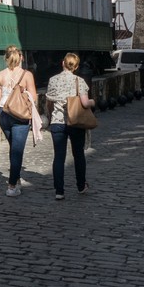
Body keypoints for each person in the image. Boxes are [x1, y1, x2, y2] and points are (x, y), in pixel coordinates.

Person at [44, 53, 95, 200]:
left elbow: (49, 102)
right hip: (75, 123)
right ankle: (81, 185)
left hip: (57, 122)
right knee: (78, 154)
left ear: (63, 63)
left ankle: (59, 191)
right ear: (76, 67)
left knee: (59, 157)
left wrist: (50, 115)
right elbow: (85, 103)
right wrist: (93, 102)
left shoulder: (53, 80)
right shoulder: (80, 81)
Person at [0, 45, 37, 197]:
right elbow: (34, 97)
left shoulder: (0, 75)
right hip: (20, 115)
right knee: (17, 151)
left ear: (6, 58)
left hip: (4, 114)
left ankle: (16, 179)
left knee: (13, 148)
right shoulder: (27, 75)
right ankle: (11, 185)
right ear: (21, 57)